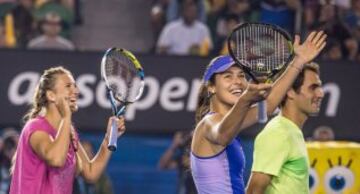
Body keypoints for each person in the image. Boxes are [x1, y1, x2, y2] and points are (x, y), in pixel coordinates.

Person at [190, 31, 327, 194]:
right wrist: (246, 99)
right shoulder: (208, 124)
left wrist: (298, 62)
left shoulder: (231, 121)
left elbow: (267, 107)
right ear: (211, 87)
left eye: (241, 75)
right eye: (228, 76)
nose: (237, 82)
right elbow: (222, 135)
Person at [9, 66, 125, 194]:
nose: (75, 90)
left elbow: (91, 173)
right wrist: (66, 116)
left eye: (75, 86)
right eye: (68, 86)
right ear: (51, 95)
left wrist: (109, 138)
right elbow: (56, 160)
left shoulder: (69, 132)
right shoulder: (35, 127)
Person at [246, 62, 324, 194]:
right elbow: (253, 191)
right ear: (290, 92)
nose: (320, 93)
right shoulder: (278, 133)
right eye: (313, 87)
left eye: (319, 87)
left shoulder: (291, 131)